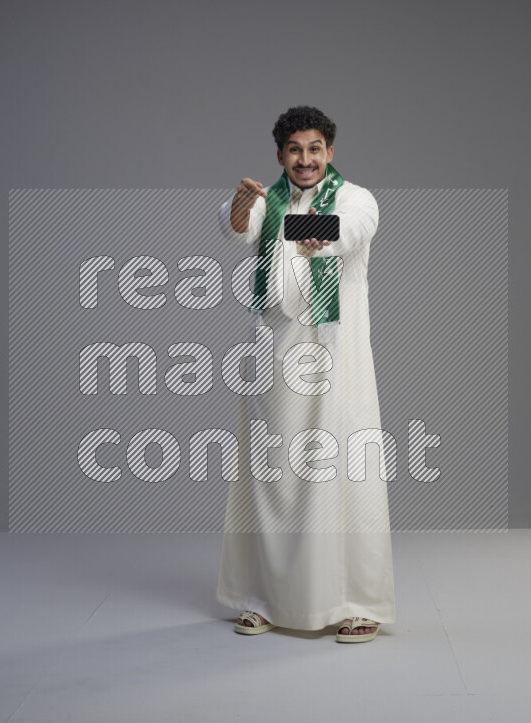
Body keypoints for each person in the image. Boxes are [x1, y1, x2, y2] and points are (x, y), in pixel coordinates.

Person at [215, 106, 395, 643]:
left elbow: (349, 230)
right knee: (271, 476)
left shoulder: (355, 198)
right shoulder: (266, 202)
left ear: (330, 152)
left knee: (345, 473)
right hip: (276, 359)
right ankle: (263, 598)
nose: (305, 159)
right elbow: (234, 226)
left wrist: (294, 224)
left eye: (315, 148)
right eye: (295, 150)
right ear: (280, 156)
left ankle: (357, 603)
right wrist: (236, 208)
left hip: (338, 361)